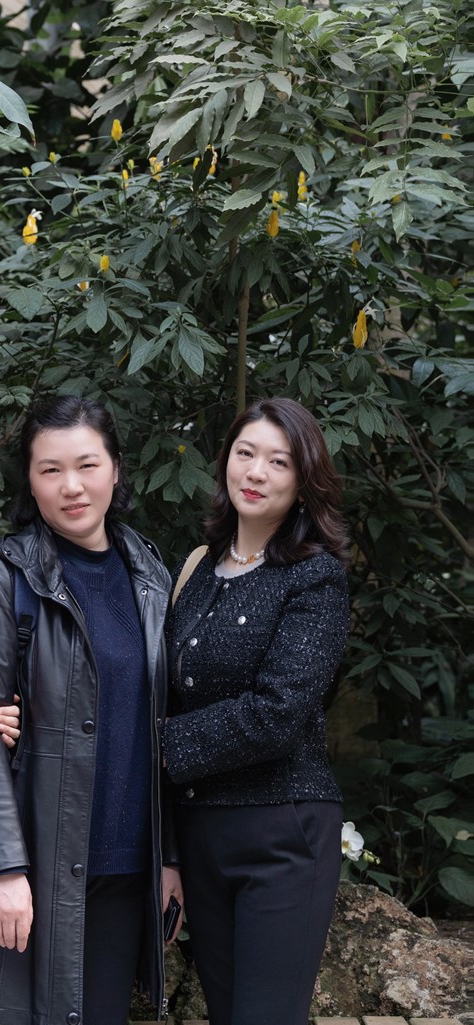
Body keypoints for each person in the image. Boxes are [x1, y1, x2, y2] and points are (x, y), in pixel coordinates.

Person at [0, 395, 182, 1025]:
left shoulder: (149, 573)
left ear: (116, 469)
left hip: (128, 866)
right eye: (50, 470)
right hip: (40, 863)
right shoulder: (7, 574)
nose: (71, 487)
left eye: (87, 465)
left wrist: (169, 856)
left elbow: (165, 723)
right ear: (30, 480)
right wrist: (1, 867)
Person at [161, 397, 350, 1025]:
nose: (256, 472)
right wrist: (170, 853)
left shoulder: (314, 577)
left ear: (303, 480)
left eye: (279, 461)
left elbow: (278, 713)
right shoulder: (195, 569)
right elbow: (166, 694)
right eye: (245, 453)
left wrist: (155, 745)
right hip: (201, 833)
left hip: (283, 831)